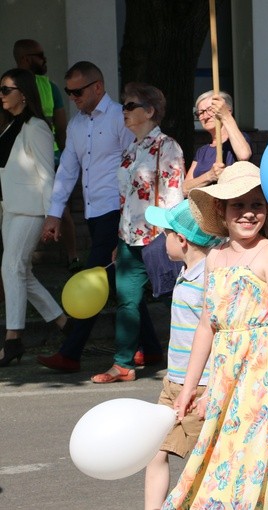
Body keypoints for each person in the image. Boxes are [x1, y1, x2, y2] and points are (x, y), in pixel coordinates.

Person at [163, 162, 268, 508]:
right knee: (225, 460)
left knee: (257, 462)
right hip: (227, 378)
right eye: (239, 205)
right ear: (221, 210)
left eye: (257, 205)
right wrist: (190, 388)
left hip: (266, 378)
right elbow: (207, 326)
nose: (249, 214)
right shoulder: (215, 258)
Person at [35, 61, 151, 374]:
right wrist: (54, 215)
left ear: (97, 87)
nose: (72, 97)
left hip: (118, 210)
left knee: (93, 278)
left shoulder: (119, 117)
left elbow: (135, 166)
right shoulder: (75, 126)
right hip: (94, 212)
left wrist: (131, 215)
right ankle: (150, 347)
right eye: (69, 91)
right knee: (119, 279)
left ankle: (71, 351)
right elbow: (67, 171)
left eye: (78, 91)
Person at [90, 82, 185, 383]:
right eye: (124, 106)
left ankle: (195, 357)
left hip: (158, 237)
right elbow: (126, 199)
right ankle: (123, 363)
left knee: (177, 300)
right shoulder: (131, 149)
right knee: (127, 302)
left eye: (130, 106)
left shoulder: (167, 146)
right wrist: (120, 237)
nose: (124, 112)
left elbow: (174, 194)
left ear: (150, 111)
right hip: (130, 238)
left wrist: (172, 234)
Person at [142, 200, 220, 509]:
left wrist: (210, 389)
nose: (163, 241)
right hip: (173, 383)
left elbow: (216, 335)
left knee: (200, 462)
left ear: (182, 240)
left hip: (200, 387)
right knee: (155, 451)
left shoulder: (208, 279)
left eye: (166, 234)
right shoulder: (186, 272)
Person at [0, 68, 68, 367]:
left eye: (5, 89)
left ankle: (13, 338)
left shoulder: (36, 126)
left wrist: (52, 216)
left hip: (30, 210)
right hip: (11, 209)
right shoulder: (11, 126)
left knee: (12, 267)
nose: (1, 95)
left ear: (23, 94)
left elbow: (46, 174)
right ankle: (66, 324)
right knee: (21, 273)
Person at [13, 39, 80, 271]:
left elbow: (61, 129)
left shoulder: (49, 87)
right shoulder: (10, 87)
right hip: (23, 162)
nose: (45, 59)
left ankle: (73, 258)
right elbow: (60, 127)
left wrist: (67, 161)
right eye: (39, 55)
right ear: (25, 59)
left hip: (47, 159)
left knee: (60, 208)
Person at [181, 90, 251, 194]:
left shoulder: (239, 139)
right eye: (200, 113)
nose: (205, 116)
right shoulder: (202, 151)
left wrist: (226, 116)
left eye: (210, 110)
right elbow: (184, 189)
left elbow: (244, 155)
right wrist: (209, 176)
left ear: (227, 110)